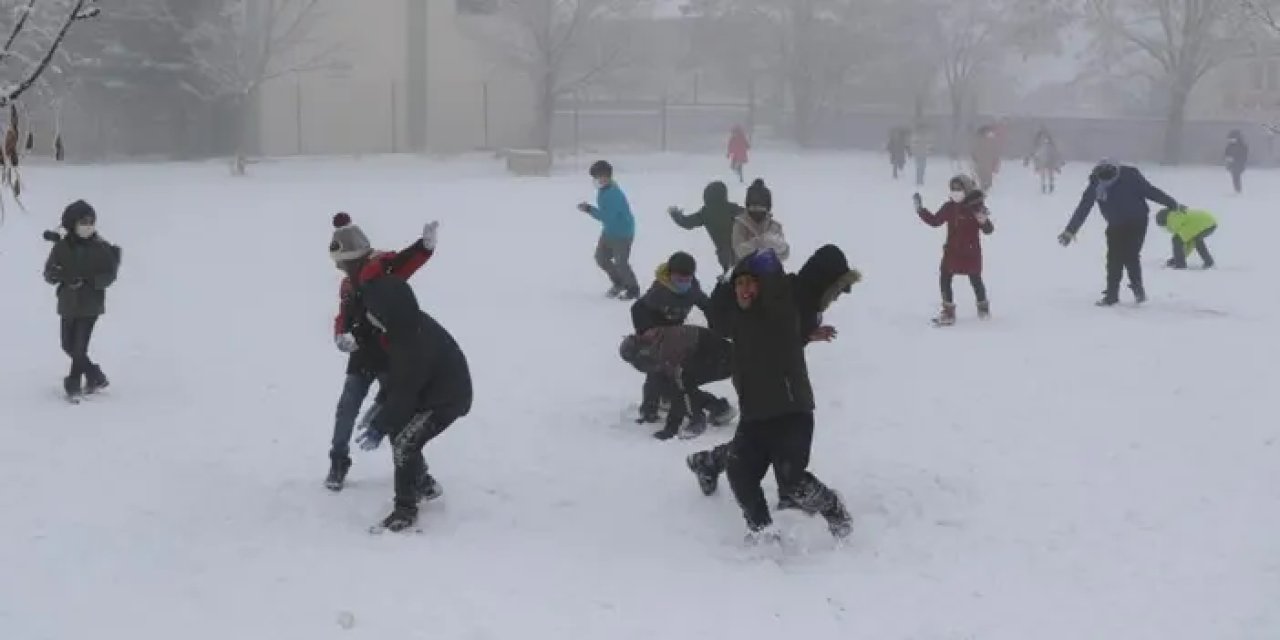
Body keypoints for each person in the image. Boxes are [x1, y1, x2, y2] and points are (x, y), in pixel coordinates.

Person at [691, 249, 852, 542]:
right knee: (740, 473)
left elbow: (778, 301)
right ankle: (763, 531)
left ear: (764, 285)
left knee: (791, 481)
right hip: (754, 415)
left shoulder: (779, 306)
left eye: (751, 283)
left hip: (791, 412)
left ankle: (833, 508)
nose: (745, 289)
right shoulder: (738, 320)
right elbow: (717, 317)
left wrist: (765, 263)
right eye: (739, 285)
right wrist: (726, 279)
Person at [326, 212, 437, 491]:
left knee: (396, 415)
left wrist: (423, 247)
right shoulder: (348, 285)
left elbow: (406, 262)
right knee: (346, 409)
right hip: (362, 354)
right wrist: (341, 334)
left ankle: (419, 475)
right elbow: (344, 315)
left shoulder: (383, 271)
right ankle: (338, 461)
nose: (341, 269)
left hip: (391, 355)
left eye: (343, 263)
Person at [353, 276, 472, 533]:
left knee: (405, 443)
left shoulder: (413, 341)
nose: (370, 317)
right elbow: (398, 380)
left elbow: (406, 390)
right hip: (426, 392)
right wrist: (380, 404)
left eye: (373, 312)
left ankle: (404, 510)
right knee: (400, 433)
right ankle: (422, 483)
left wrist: (380, 424)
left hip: (446, 399)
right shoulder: (402, 328)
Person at [1058, 160, 1181, 306]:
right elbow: (1084, 207)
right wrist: (1070, 232)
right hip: (1115, 224)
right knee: (1114, 258)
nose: (1106, 183)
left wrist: (1172, 203)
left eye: (1109, 180)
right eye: (1103, 181)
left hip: (1138, 221)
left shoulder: (1130, 176)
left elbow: (1151, 191)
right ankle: (1112, 295)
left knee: (1131, 255)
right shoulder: (1096, 184)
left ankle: (1137, 289)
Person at [42, 200, 121, 402]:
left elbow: (110, 274)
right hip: (67, 304)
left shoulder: (101, 247)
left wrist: (91, 282)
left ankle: (74, 383)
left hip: (90, 305)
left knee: (79, 347)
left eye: (91, 222)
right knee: (67, 345)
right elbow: (49, 272)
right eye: (83, 222)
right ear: (72, 224)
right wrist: (61, 277)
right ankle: (95, 375)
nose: (88, 226)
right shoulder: (61, 247)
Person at [631, 251, 710, 424]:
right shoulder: (659, 291)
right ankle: (649, 408)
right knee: (655, 370)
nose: (683, 284)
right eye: (679, 280)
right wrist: (645, 331)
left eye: (687, 280)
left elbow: (707, 306)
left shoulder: (693, 290)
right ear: (670, 275)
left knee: (675, 372)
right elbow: (637, 308)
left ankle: (669, 397)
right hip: (657, 334)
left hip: (676, 335)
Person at [619, 324, 736, 440]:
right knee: (667, 380)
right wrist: (648, 410)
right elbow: (653, 378)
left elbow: (679, 387)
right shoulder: (652, 344)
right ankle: (719, 408)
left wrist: (671, 428)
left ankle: (696, 419)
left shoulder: (668, 348)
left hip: (723, 358)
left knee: (682, 382)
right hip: (702, 355)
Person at [915, 175, 995, 326]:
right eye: (953, 189)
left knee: (975, 280)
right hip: (952, 251)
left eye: (959, 189)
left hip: (970, 253)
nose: (955, 192)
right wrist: (921, 210)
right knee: (945, 278)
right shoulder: (949, 207)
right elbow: (935, 221)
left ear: (966, 190)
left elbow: (989, 230)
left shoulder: (976, 207)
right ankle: (948, 311)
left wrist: (983, 221)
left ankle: (983, 308)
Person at [578, 160, 639, 300]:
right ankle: (619, 283)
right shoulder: (604, 190)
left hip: (623, 233)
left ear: (607, 176)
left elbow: (607, 216)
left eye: (599, 176)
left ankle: (633, 288)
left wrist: (589, 209)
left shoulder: (613, 194)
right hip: (609, 231)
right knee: (601, 258)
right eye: (595, 177)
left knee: (621, 262)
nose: (597, 180)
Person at [668, 181, 743, 275]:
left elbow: (687, 223)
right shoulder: (732, 208)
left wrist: (676, 215)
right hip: (741, 249)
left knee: (731, 274)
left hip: (723, 253)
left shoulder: (705, 213)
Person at [732, 179, 789, 262]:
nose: (757, 210)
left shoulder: (774, 226)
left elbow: (784, 254)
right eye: (754, 206)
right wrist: (761, 242)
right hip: (746, 271)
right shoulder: (741, 224)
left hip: (770, 271)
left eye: (761, 206)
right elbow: (739, 251)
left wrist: (780, 247)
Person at [1025, 127, 1064, 194]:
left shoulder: (1044, 145)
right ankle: (1047, 185)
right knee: (1046, 173)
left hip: (1047, 160)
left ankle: (1048, 185)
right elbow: (1035, 153)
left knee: (1047, 173)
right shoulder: (1042, 145)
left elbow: (1055, 153)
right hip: (1045, 161)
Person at [971, 125, 1002, 192]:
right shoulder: (984, 141)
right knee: (984, 175)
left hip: (985, 162)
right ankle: (984, 187)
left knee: (984, 175)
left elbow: (995, 153)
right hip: (984, 162)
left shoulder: (987, 141)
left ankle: (984, 187)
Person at [1225, 130, 1248, 194]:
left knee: (1236, 176)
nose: (1231, 140)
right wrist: (1228, 159)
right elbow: (1226, 153)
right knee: (1234, 176)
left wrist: (1235, 159)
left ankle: (1238, 190)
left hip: (1238, 163)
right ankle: (1237, 189)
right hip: (1232, 163)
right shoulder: (1230, 145)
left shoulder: (1242, 146)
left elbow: (1243, 155)